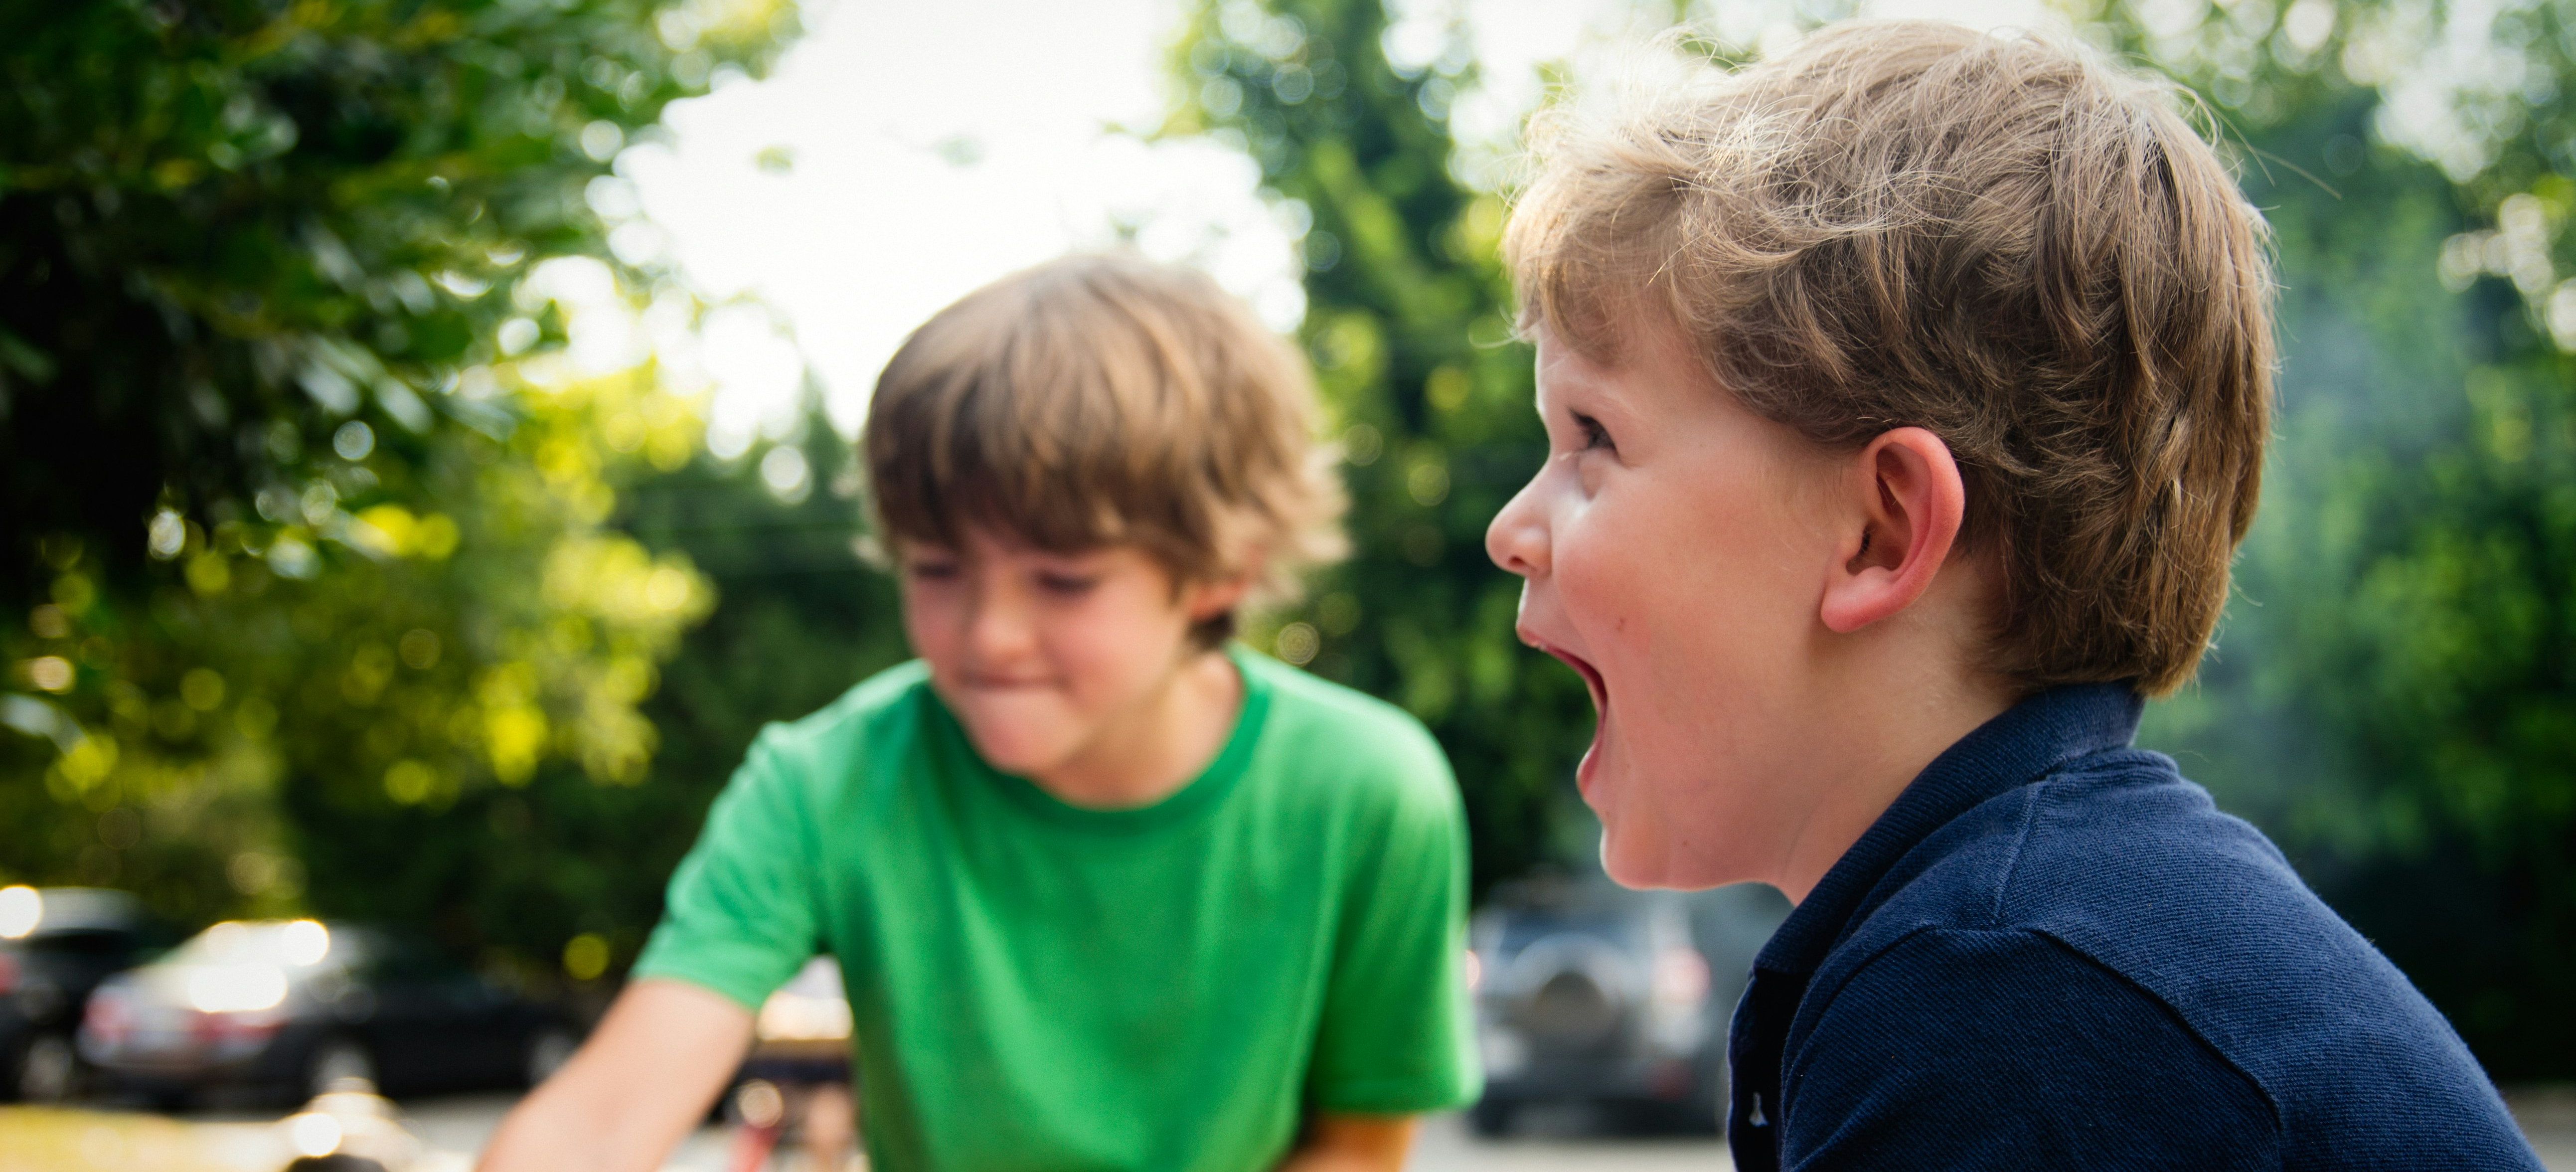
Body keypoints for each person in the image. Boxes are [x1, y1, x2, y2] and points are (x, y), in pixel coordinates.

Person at [1484, 20, 2543, 1171]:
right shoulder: (2055, 927)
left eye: (1593, 437)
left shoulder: (1996, 999)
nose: (1509, 531)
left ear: (1881, 532)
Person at [479, 255, 1480, 1172]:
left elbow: (1356, 1147)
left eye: (1063, 579)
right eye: (936, 567)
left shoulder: (1368, 789)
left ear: (1226, 568)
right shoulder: (825, 780)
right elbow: (604, 1118)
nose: (990, 635)